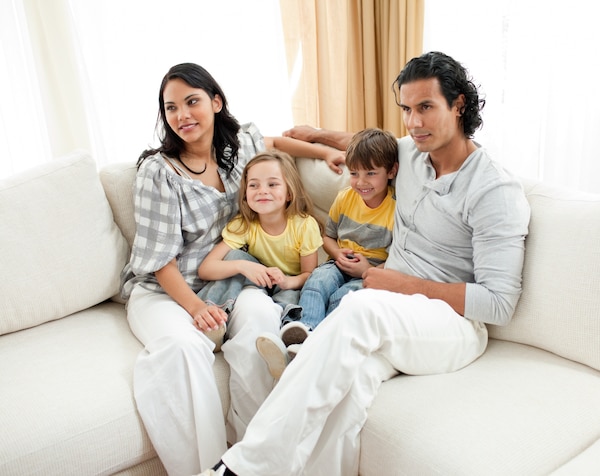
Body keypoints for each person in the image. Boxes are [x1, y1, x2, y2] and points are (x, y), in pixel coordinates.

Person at [197, 51, 531, 476]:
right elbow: (362, 141)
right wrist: (317, 135)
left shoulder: (494, 191)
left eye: (426, 107)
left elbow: (500, 304)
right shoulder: (409, 156)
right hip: (393, 309)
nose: (413, 123)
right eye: (406, 110)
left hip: (453, 325)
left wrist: (398, 283)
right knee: (345, 389)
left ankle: (238, 468)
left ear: (459, 104)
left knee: (358, 308)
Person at [120, 62, 345, 476]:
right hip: (166, 289)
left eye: (192, 102)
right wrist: (193, 309)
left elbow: (274, 143)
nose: (182, 115)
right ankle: (205, 469)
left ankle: (257, 460)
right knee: (186, 349)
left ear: (216, 102)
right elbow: (160, 261)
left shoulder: (237, 146)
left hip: (233, 277)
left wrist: (326, 150)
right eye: (171, 108)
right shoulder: (159, 171)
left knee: (263, 322)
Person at [265, 128, 399, 375]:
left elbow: (398, 259)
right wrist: (336, 254)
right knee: (317, 282)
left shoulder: (395, 209)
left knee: (346, 297)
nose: (361, 182)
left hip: (371, 272)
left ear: (391, 171)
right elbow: (327, 237)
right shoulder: (345, 198)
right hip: (338, 261)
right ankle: (303, 332)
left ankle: (321, 346)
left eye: (371, 173)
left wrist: (367, 269)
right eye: (355, 173)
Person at [197, 150, 323, 378]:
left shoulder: (304, 225)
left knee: (294, 304)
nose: (262, 191)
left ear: (289, 193)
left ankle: (285, 347)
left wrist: (287, 281)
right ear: (245, 195)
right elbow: (206, 269)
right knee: (235, 258)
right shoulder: (244, 225)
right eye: (253, 185)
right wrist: (244, 267)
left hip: (287, 287)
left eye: (273, 184)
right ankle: (217, 319)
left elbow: (309, 275)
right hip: (256, 282)